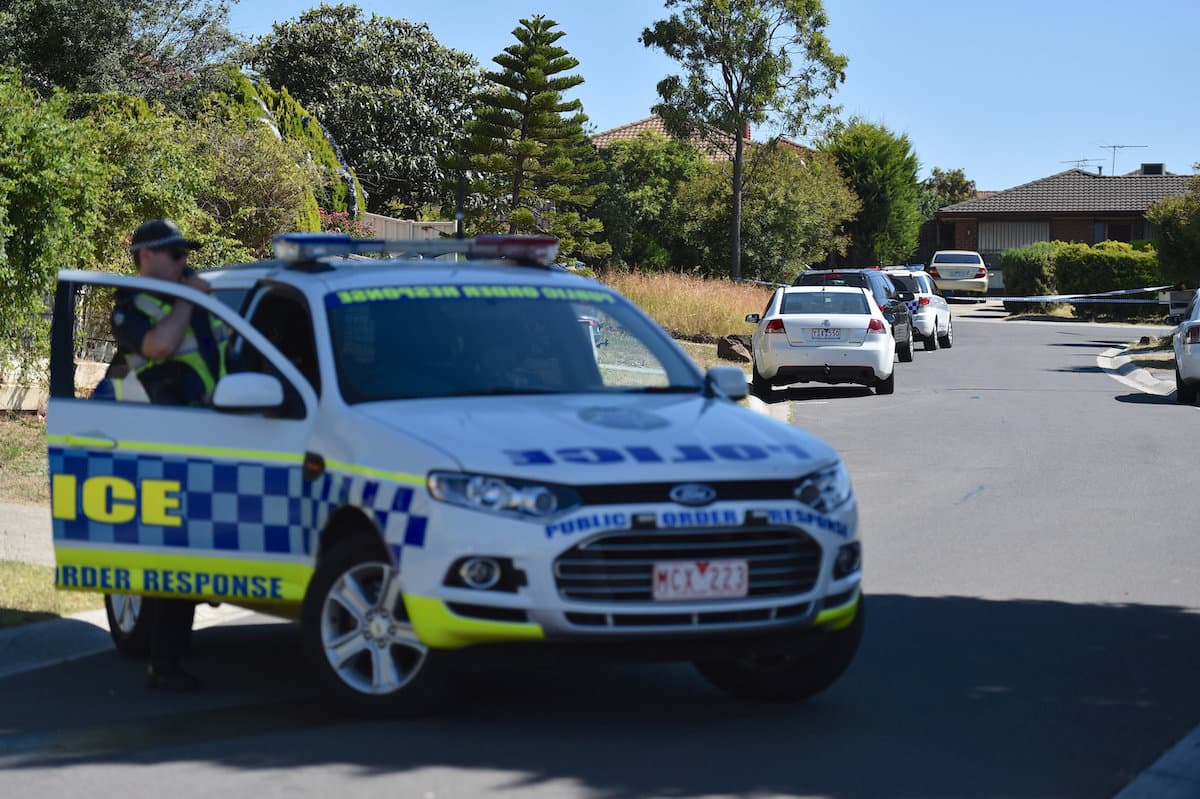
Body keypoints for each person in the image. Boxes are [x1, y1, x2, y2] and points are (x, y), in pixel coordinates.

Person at [102, 218, 228, 690]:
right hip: (166, 443)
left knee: (193, 553)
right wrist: (186, 299)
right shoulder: (131, 305)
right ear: (146, 256)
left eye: (185, 255)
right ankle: (165, 661)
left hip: (215, 434)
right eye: (176, 255)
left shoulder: (193, 300)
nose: (184, 262)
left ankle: (174, 647)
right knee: (176, 555)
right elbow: (160, 346)